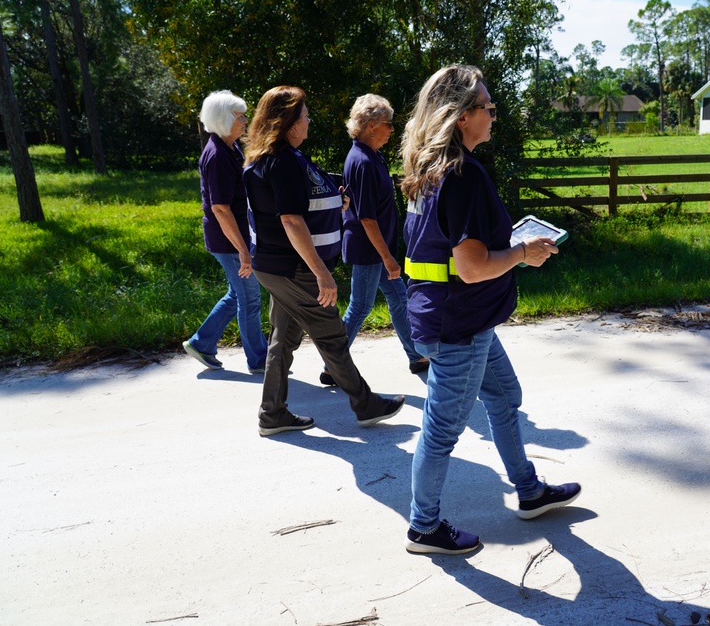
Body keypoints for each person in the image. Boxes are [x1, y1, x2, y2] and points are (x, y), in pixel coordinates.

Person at [399, 65, 581, 555]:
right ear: (462, 116)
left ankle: (529, 491)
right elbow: (473, 267)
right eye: (488, 107)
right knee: (442, 430)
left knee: (504, 397)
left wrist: (510, 245)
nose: (494, 115)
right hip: (457, 323)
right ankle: (423, 527)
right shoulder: (463, 175)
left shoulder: (429, 168)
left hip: (453, 316)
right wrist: (523, 252)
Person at [242, 86, 405, 436]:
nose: (309, 121)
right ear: (289, 124)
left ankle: (272, 413)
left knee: (283, 339)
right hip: (295, 269)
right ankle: (366, 405)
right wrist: (321, 273)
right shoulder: (284, 162)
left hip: (274, 267)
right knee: (332, 336)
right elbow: (290, 220)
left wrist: (336, 203)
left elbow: (303, 206)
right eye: (304, 116)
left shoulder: (273, 158)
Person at [319, 94, 428, 386]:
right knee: (360, 307)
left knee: (399, 298)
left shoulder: (371, 156)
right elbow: (367, 218)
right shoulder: (364, 161)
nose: (392, 129)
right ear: (370, 125)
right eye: (388, 124)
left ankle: (417, 356)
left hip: (375, 247)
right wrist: (388, 257)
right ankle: (333, 364)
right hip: (369, 249)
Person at [183, 90, 268, 374]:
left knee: (237, 294)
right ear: (223, 119)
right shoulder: (218, 155)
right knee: (249, 297)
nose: (245, 120)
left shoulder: (230, 148)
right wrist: (243, 251)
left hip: (234, 237)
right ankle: (260, 360)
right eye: (239, 116)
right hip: (229, 241)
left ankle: (201, 343)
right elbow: (220, 208)